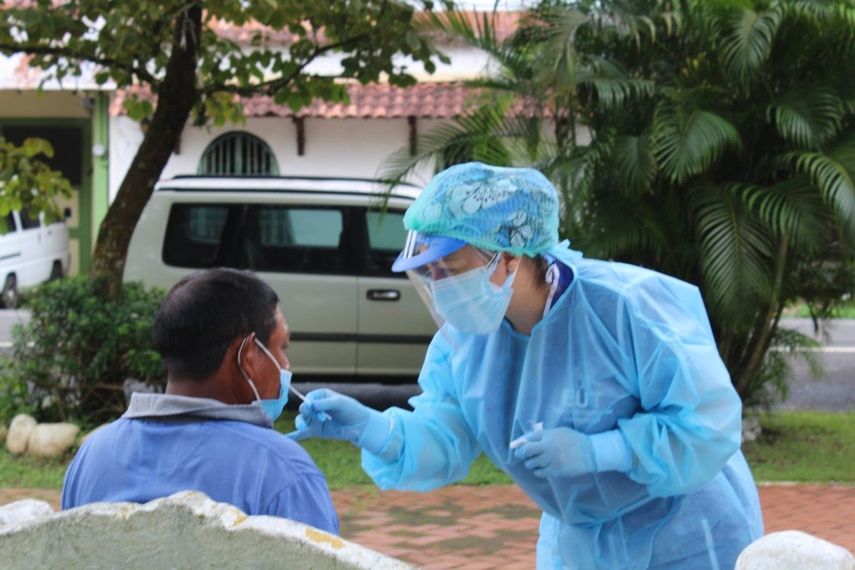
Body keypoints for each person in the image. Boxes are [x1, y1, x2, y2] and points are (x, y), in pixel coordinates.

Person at [289, 162, 764, 568]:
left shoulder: (626, 308)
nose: (439, 286)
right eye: (428, 273)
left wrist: (602, 451)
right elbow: (446, 438)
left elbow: (707, 425)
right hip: (581, 544)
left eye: (450, 269)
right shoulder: (464, 343)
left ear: (509, 257)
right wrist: (374, 430)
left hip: (687, 534)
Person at [62, 268, 339, 534]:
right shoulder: (284, 472)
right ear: (248, 356)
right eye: (282, 348)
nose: (285, 365)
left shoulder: (91, 457)